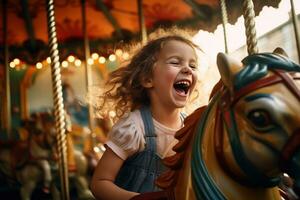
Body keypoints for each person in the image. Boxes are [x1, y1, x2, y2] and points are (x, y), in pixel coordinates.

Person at [90, 28, 201, 200]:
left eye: (192, 65)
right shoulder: (134, 127)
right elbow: (99, 183)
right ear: (147, 79)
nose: (187, 69)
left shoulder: (191, 128)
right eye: (175, 62)